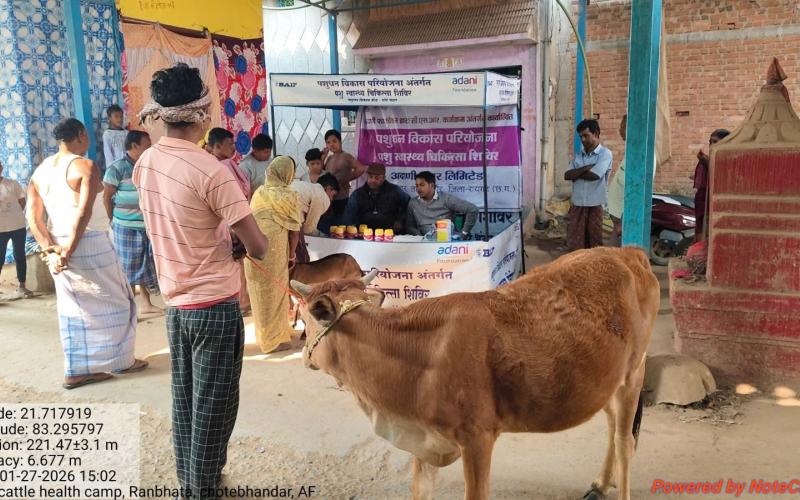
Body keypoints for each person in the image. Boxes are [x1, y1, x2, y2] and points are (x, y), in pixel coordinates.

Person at [133, 63, 267, 498]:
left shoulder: (147, 162)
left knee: (187, 403)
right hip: (215, 305)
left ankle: (191, 482)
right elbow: (259, 245)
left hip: (176, 306)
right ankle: (202, 489)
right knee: (215, 408)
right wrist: (239, 243)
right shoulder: (212, 171)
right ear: (203, 113)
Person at [27, 118, 148, 390]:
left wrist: (51, 250)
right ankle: (120, 360)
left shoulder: (40, 171)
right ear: (81, 135)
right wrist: (67, 250)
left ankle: (76, 369)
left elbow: (33, 218)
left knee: (73, 307)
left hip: (57, 245)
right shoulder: (85, 166)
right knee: (120, 301)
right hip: (88, 241)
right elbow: (84, 212)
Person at [245, 155, 303, 354]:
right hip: (274, 251)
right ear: (288, 174)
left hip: (253, 248)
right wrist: (292, 255)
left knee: (260, 293)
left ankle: (267, 335)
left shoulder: (260, 191)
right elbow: (294, 231)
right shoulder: (290, 195)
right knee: (275, 292)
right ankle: (274, 340)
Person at [103, 130, 161, 315]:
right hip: (126, 227)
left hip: (146, 225)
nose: (150, 147)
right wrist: (112, 220)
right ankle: (126, 307)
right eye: (147, 144)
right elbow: (107, 197)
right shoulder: (117, 168)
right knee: (128, 267)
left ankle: (146, 303)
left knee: (144, 265)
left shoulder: (148, 166)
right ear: (135, 146)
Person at [564, 119, 613, 251]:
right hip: (578, 204)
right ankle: (578, 267)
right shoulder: (579, 156)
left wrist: (577, 173)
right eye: (581, 137)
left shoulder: (605, 154)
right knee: (576, 240)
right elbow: (567, 175)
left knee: (594, 240)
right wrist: (585, 168)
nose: (583, 139)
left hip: (595, 204)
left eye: (586, 135)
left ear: (596, 134)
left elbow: (595, 176)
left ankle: (595, 269)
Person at [406, 171, 478, 238]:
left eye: (422, 185)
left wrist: (464, 233)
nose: (418, 188)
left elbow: (472, 209)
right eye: (417, 186)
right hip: (424, 243)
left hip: (446, 242)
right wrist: (420, 238)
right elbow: (410, 226)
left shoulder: (446, 199)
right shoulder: (413, 203)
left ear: (431, 185)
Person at [345, 163, 409, 233]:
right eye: (370, 177)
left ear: (384, 178)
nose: (373, 180)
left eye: (377, 177)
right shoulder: (357, 194)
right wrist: (353, 229)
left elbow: (408, 205)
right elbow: (349, 216)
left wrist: (400, 221)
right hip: (363, 236)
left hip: (389, 234)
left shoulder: (395, 191)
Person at [0, 160, 32, 298]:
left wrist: (17, 215)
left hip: (18, 226)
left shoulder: (12, 183)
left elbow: (23, 202)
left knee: (19, 255)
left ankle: (22, 287)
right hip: (1, 229)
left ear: (1, 168)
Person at [693, 129, 730, 242]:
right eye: (710, 142)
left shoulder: (728, 161)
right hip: (703, 204)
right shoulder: (706, 160)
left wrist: (706, 163)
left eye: (715, 142)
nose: (711, 145)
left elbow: (720, 178)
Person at [323, 129, 365, 222]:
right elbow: (322, 173)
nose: (331, 144)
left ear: (340, 141)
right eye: (328, 142)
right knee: (330, 226)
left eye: (334, 141)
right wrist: (323, 157)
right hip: (328, 199)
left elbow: (361, 168)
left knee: (341, 225)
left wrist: (346, 179)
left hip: (341, 197)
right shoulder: (329, 158)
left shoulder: (346, 156)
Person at [291, 171, 331, 262]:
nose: (332, 199)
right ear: (328, 189)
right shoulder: (323, 197)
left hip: (275, 213)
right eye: (333, 195)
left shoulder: (306, 186)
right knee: (303, 257)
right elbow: (309, 229)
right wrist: (323, 235)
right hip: (291, 215)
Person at [208, 127, 250, 200]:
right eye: (230, 144)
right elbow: (242, 192)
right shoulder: (226, 164)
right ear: (218, 146)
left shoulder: (208, 162)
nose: (234, 147)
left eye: (234, 143)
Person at [606, 115, 627, 247]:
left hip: (623, 219)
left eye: (622, 127)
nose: (620, 130)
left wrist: (623, 222)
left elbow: (634, 190)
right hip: (617, 217)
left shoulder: (638, 155)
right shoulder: (629, 152)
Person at [102, 104, 128, 168]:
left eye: (121, 116)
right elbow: (108, 153)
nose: (120, 119)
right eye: (116, 116)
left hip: (128, 166)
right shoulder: (107, 134)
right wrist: (111, 169)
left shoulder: (126, 133)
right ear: (109, 118)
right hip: (116, 168)